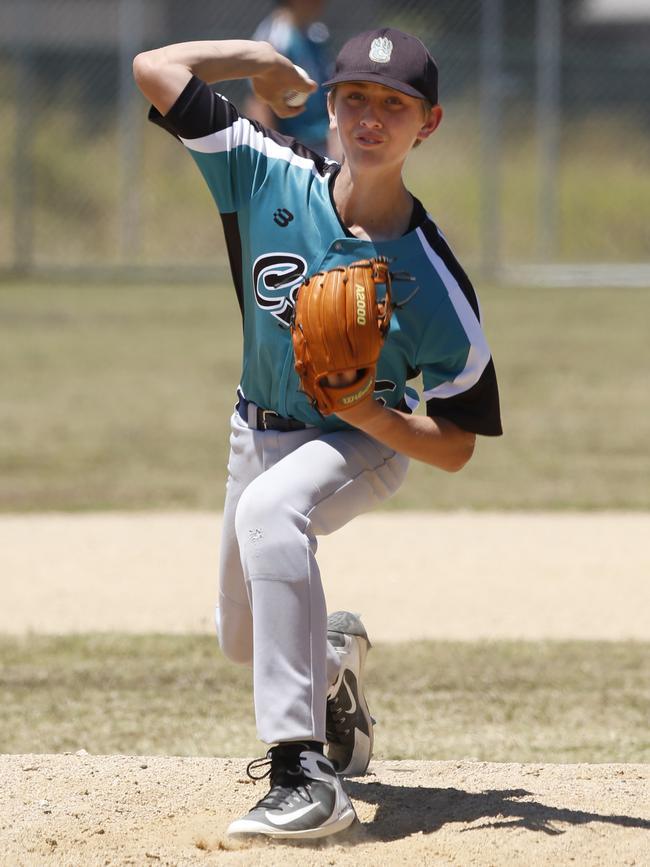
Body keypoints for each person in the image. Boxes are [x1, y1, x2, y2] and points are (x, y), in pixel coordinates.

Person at [133, 26, 502, 841]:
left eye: (394, 105)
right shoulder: (263, 167)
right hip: (253, 426)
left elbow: (457, 442)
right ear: (332, 107)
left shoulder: (433, 281)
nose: (372, 117)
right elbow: (156, 69)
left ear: (427, 125)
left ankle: (304, 775)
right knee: (243, 637)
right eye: (356, 98)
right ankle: (333, 666)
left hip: (362, 442)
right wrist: (261, 63)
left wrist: (371, 411)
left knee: (273, 514)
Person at [245, 0, 334, 157]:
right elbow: (259, 101)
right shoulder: (275, 36)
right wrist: (270, 154)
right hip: (294, 146)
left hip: (323, 140)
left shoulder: (316, 33)